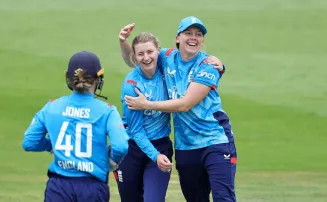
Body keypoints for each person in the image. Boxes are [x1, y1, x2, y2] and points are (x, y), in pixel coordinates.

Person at [119, 16, 237, 202]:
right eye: (188, 33)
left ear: (202, 40)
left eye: (198, 34)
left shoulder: (207, 66)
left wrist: (146, 104)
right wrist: (123, 41)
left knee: (223, 198)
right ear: (177, 38)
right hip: (186, 146)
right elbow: (137, 60)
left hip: (215, 140)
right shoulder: (166, 57)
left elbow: (185, 104)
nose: (193, 37)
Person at [22, 51, 129, 202]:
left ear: (69, 79)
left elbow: (29, 142)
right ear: (98, 79)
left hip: (58, 187)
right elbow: (121, 146)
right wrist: (112, 161)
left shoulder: (52, 107)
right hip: (92, 188)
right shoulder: (107, 111)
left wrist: (52, 145)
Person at [113, 32, 173, 202]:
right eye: (140, 54)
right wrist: (155, 155)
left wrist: (217, 65)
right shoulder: (131, 85)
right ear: (134, 56)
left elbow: (187, 54)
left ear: (158, 51)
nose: (146, 58)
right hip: (130, 149)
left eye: (150, 52)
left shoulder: (167, 71)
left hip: (161, 145)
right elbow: (136, 130)